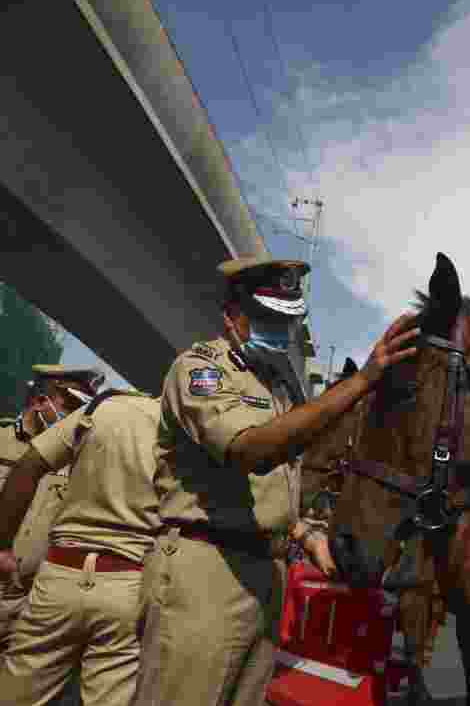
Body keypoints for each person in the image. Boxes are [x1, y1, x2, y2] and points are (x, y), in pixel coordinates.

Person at [129, 256, 419, 706]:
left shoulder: (276, 389)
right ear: (231, 316)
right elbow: (251, 451)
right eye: (266, 319)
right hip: (207, 571)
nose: (279, 332)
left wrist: (306, 533)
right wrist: (361, 382)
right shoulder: (201, 370)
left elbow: (268, 492)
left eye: (287, 321)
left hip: (266, 575)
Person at [0, 388, 163, 706]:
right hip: (128, 584)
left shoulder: (104, 408)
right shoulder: (187, 433)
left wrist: (3, 546)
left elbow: (29, 464)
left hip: (61, 572)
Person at [0, 365, 104, 654]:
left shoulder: (78, 460)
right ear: (39, 402)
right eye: (69, 405)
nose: (75, 417)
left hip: (30, 604)